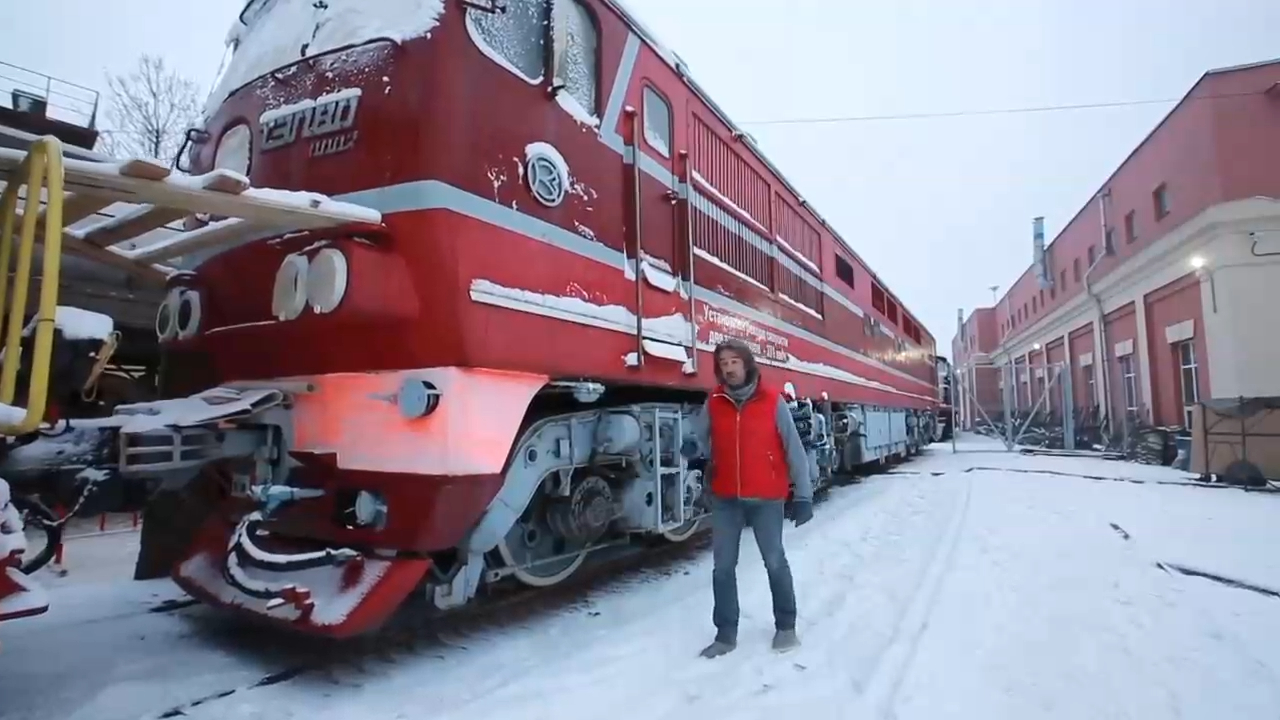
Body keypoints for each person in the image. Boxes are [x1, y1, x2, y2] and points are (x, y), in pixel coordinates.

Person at [685, 338, 814, 658]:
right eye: (723, 363)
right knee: (722, 568)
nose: (728, 368)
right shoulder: (714, 401)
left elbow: (794, 450)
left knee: (774, 561)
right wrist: (692, 451)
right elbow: (697, 439)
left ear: (746, 363)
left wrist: (804, 495)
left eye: (733, 362)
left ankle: (786, 626)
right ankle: (725, 635)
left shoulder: (772, 401)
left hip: (767, 498)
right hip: (726, 497)